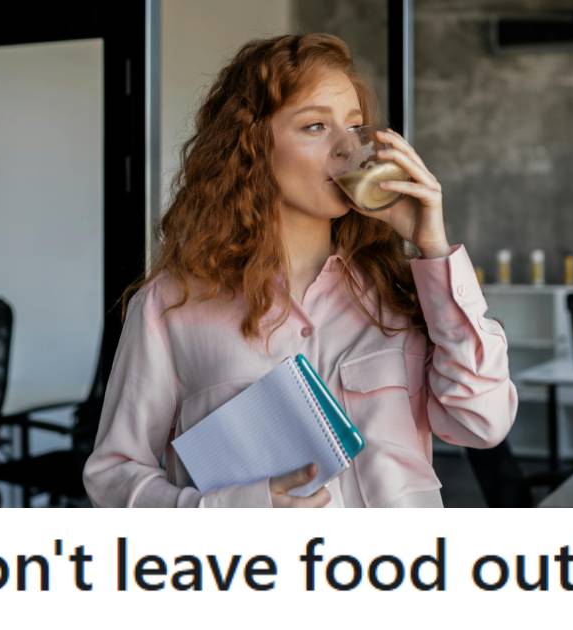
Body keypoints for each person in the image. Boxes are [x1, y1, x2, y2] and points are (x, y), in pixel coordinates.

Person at [83, 33, 517, 508]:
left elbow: (482, 422)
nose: (346, 149)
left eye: (354, 126)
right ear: (248, 148)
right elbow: (113, 475)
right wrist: (236, 511)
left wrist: (433, 247)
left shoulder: (402, 290)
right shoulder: (170, 305)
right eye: (314, 127)